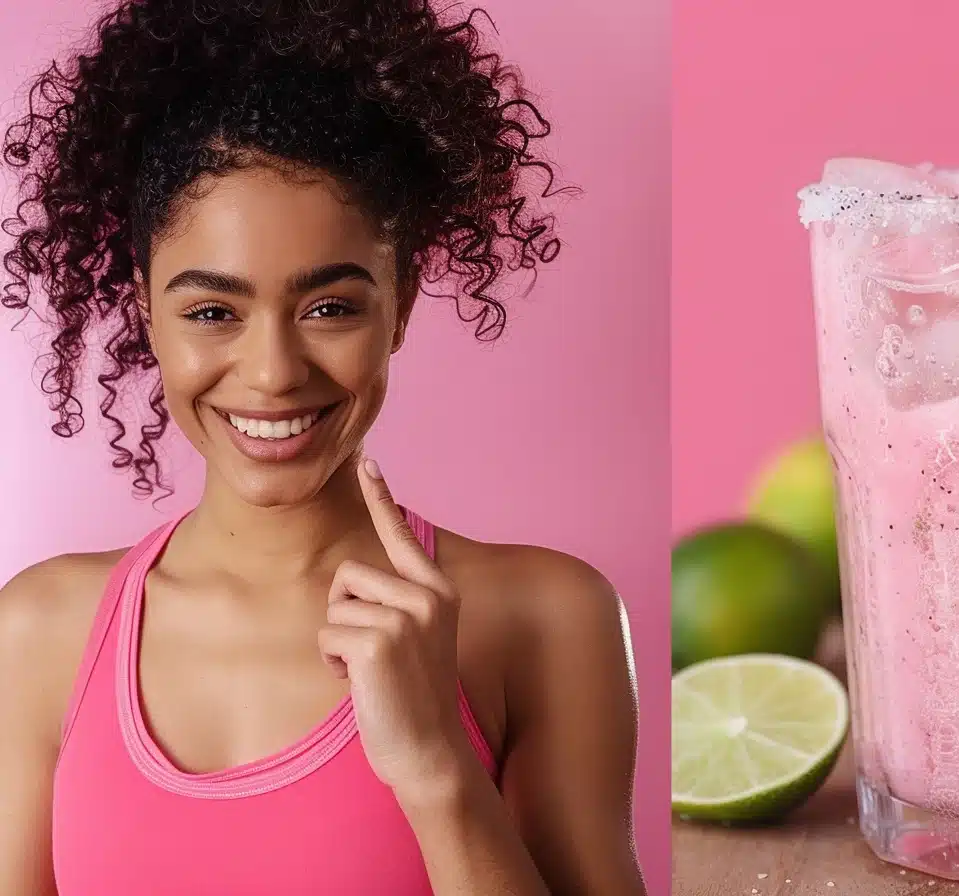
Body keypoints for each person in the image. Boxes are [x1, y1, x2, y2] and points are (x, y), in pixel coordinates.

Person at [0, 2, 644, 894]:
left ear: (403, 301)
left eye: (330, 307)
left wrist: (434, 764)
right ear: (146, 308)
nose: (271, 373)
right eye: (212, 312)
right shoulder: (39, 633)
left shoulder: (544, 618)